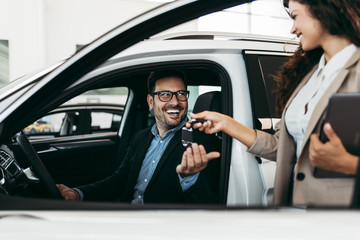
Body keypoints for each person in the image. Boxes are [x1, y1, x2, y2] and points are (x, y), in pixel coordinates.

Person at [180, 0, 360, 207]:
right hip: (294, 210)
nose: (292, 29)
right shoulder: (309, 76)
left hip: (341, 216)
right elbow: (280, 147)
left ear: (323, 9)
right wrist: (226, 123)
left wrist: (349, 164)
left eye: (294, 16)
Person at [57, 70, 220, 204]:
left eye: (181, 94)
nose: (175, 102)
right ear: (151, 101)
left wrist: (189, 178)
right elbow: (119, 181)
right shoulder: (140, 138)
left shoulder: (202, 141)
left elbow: (209, 201)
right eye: (165, 94)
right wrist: (77, 194)